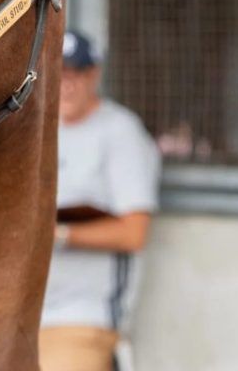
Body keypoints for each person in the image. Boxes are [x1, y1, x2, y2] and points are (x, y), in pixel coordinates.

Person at [40, 30, 161, 371]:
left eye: (75, 74)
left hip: (83, 318)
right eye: (59, 73)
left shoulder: (120, 131)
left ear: (93, 75)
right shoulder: (38, 129)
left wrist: (59, 234)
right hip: (23, 310)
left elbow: (134, 233)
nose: (67, 84)